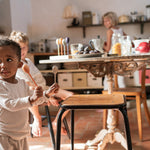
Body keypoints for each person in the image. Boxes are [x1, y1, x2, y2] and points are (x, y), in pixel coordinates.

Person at [9, 31, 73, 135]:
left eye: (24, 47)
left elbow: (39, 82)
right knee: (29, 92)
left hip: (44, 88)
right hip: (33, 92)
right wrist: (47, 96)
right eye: (18, 48)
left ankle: (57, 121)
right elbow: (28, 86)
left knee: (71, 96)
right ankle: (37, 118)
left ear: (27, 47)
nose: (21, 51)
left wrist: (49, 93)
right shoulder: (14, 65)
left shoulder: (28, 62)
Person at [0, 37, 59, 150]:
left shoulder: (22, 83)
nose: (3, 65)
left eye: (9, 60)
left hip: (22, 133)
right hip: (3, 136)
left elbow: (36, 99)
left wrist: (47, 94)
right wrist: (31, 99)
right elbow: (10, 104)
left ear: (19, 64)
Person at [102, 11, 126, 89]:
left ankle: (107, 97)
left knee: (108, 78)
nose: (105, 23)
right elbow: (127, 39)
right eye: (104, 21)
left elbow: (108, 49)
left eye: (107, 21)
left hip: (112, 57)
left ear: (112, 20)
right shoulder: (120, 29)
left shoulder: (110, 31)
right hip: (121, 57)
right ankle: (123, 97)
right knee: (120, 77)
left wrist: (100, 45)